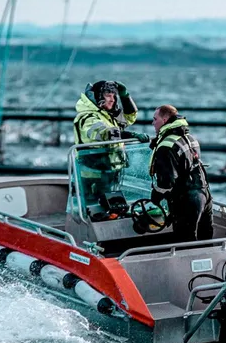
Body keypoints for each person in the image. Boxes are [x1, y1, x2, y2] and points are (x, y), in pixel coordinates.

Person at [72, 80, 149, 210]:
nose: (112, 99)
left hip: (109, 171)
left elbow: (129, 118)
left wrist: (125, 96)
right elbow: (105, 133)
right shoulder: (88, 117)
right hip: (93, 176)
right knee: (95, 209)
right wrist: (132, 135)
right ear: (97, 96)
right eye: (108, 95)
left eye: (114, 96)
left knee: (110, 209)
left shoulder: (107, 115)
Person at [149, 104, 213, 241]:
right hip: (204, 195)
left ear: (165, 120)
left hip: (187, 199)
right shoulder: (190, 138)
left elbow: (166, 182)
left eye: (155, 119)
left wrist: (155, 196)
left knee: (185, 242)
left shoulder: (166, 146)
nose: (152, 123)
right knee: (206, 238)